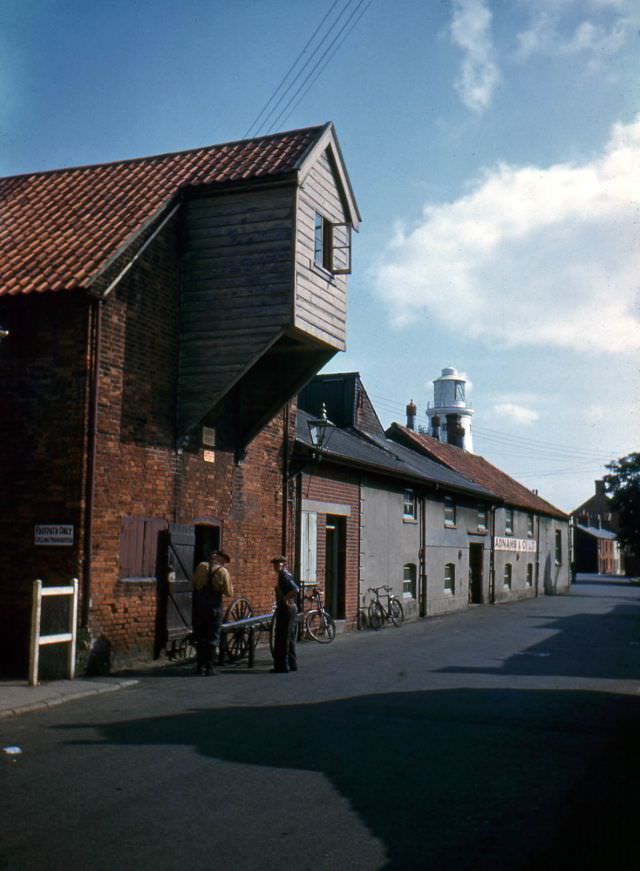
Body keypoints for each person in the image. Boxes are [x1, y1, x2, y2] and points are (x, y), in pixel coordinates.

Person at [192, 549, 233, 675]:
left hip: (200, 607)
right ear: (220, 559)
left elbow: (194, 583)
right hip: (214, 608)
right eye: (224, 560)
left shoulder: (201, 567)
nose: (224, 563)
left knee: (200, 637)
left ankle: (199, 666)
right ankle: (210, 667)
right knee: (212, 637)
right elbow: (229, 592)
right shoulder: (223, 572)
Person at [271, 555, 299, 673]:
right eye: (275, 564)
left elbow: (295, 589)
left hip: (286, 609)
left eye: (279, 564)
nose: (276, 566)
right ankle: (292, 664)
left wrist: (285, 599)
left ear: (284, 564)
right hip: (291, 608)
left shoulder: (283, 575)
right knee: (290, 636)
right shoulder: (288, 574)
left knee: (282, 637)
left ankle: (282, 666)